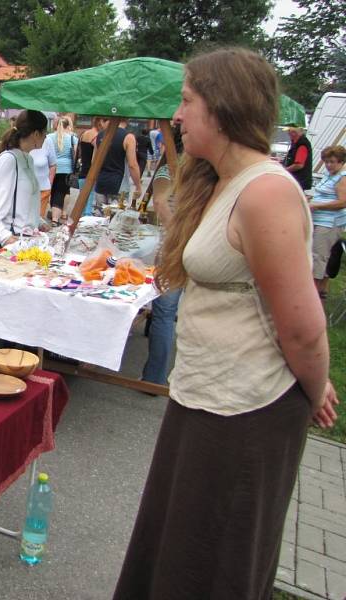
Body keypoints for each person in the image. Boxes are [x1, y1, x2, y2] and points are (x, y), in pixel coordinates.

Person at [114, 47, 339, 600]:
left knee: (213, 559)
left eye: (187, 101)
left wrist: (315, 389)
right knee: (177, 546)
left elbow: (304, 328)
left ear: (223, 107)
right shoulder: (223, 183)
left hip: (247, 409)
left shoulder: (266, 193)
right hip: (205, 393)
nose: (178, 115)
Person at [141, 124, 183, 386]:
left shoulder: (170, 170)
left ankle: (154, 377)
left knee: (165, 312)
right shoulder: (204, 170)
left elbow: (159, 203)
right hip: (187, 245)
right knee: (172, 311)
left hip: (172, 246)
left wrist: (179, 231)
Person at [0, 110, 47, 248]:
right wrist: (5, 238)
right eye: (44, 133)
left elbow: (25, 203)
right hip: (13, 242)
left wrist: (40, 223)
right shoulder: (8, 161)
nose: (46, 137)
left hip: (28, 240)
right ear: (36, 134)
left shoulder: (28, 159)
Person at [308, 145, 346, 300]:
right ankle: (321, 291)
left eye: (332, 162)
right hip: (318, 219)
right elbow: (322, 194)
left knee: (318, 256)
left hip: (329, 223)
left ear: (341, 162)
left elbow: (343, 202)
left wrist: (317, 205)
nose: (329, 165)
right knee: (316, 254)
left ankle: (312, 291)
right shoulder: (328, 175)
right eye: (326, 162)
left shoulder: (342, 178)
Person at [94, 118, 142, 205]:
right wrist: (138, 186)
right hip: (119, 184)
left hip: (101, 183)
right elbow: (132, 165)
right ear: (127, 119)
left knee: (100, 216)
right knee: (117, 217)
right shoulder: (128, 137)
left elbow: (94, 161)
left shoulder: (100, 135)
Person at [47, 117, 78, 226]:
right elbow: (75, 154)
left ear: (55, 125)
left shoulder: (49, 137)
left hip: (52, 167)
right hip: (66, 169)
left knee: (53, 191)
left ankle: (54, 215)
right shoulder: (72, 138)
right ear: (66, 126)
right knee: (61, 192)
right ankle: (55, 218)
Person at [31, 129, 57, 219]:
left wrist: (49, 184)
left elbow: (53, 165)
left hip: (43, 190)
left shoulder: (48, 141)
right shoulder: (24, 142)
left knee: (37, 221)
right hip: (26, 190)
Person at [77, 117, 101, 216]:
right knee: (89, 205)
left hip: (82, 172)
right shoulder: (96, 136)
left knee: (82, 202)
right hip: (90, 173)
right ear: (100, 123)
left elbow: (79, 152)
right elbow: (94, 158)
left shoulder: (84, 134)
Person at [284, 125, 314, 190]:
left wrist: (284, 170)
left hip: (299, 181)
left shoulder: (302, 145)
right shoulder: (295, 143)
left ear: (295, 133)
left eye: (290, 131)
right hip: (296, 180)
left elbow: (299, 165)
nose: (288, 133)